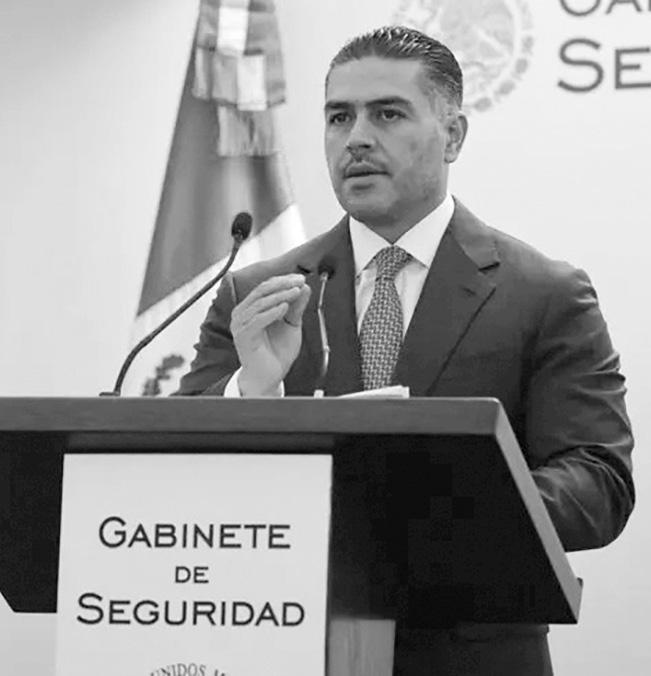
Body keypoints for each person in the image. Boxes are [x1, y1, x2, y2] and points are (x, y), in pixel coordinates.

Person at [178, 25, 634, 676]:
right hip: (284, 648)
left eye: (387, 114)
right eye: (339, 117)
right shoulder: (256, 293)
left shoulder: (543, 293)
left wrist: (454, 512)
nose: (357, 138)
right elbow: (175, 464)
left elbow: (597, 478)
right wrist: (253, 390)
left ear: (453, 136)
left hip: (470, 656)